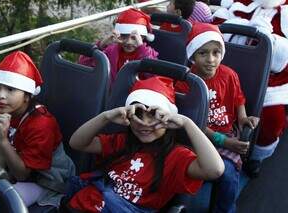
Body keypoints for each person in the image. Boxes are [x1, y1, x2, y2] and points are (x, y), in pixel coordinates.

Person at [64, 76, 224, 212]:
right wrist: (106, 116)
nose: (145, 123)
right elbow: (77, 143)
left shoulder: (176, 157)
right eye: (139, 114)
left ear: (167, 118)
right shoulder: (121, 142)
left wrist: (186, 123)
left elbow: (215, 170)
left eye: (154, 115)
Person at [175, 22, 259, 212]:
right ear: (192, 56)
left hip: (225, 130)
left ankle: (225, 209)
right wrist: (224, 142)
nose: (211, 59)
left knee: (229, 173)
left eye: (216, 52)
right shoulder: (186, 82)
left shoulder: (229, 75)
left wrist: (243, 117)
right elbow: (193, 125)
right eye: (203, 53)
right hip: (194, 136)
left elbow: (238, 98)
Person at [0, 51, 75, 208]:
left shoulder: (42, 124)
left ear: (27, 96)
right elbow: (0, 154)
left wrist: (3, 140)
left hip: (46, 177)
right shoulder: (0, 112)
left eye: (10, 89)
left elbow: (22, 175)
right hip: (16, 166)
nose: (0, 95)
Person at [211, 0, 288, 175]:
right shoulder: (240, 2)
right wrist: (241, 28)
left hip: (271, 81)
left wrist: (270, 41)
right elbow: (215, 28)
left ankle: (255, 156)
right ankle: (215, 145)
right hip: (228, 68)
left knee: (272, 120)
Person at [79, 8, 158, 86]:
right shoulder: (110, 51)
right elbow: (84, 64)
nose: (128, 42)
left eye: (134, 38)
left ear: (143, 38)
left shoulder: (148, 54)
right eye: (123, 36)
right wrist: (101, 45)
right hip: (110, 93)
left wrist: (141, 49)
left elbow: (153, 77)